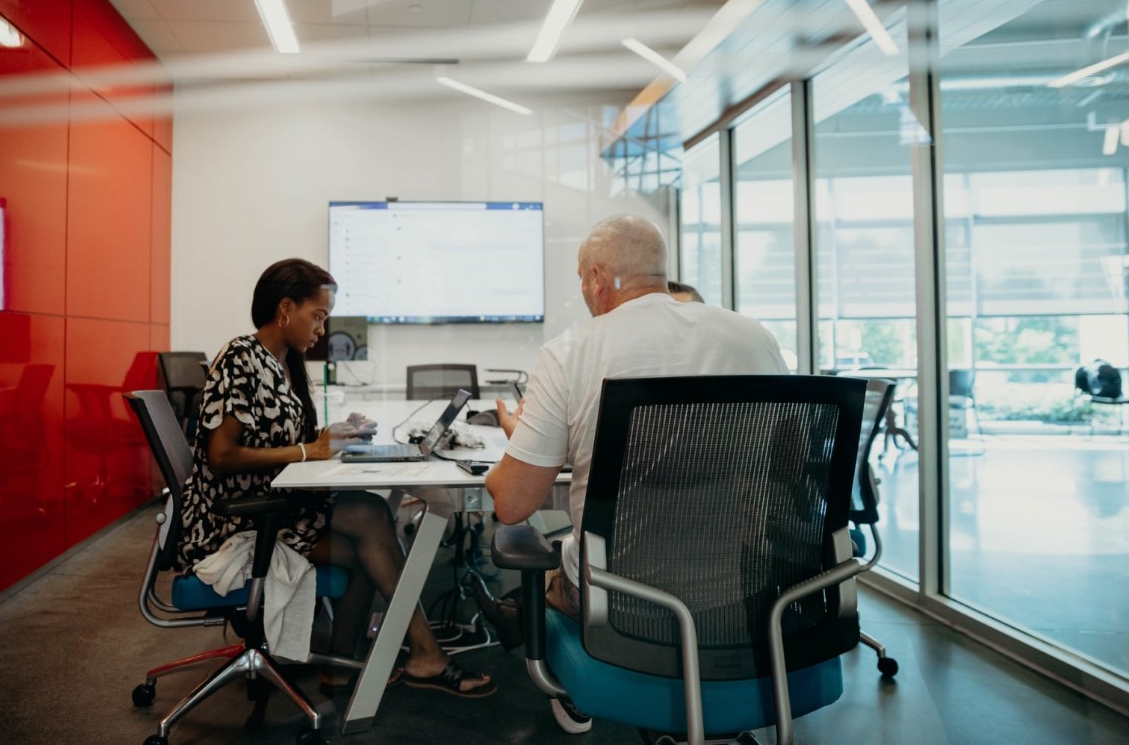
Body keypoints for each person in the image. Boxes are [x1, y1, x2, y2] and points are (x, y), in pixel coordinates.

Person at [483, 215, 787, 732]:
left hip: (623, 602)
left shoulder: (573, 352)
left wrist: (516, 450)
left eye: (583, 281)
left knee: (554, 566)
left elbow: (512, 505)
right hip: (745, 590)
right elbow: (791, 463)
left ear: (597, 278)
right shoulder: (753, 337)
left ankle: (557, 661)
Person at [178, 258, 494, 698]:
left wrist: (339, 433)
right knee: (367, 514)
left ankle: (342, 670)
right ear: (285, 308)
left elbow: (290, 440)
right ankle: (426, 654)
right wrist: (313, 450)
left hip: (273, 509)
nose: (322, 330)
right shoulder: (241, 357)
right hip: (235, 522)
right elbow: (221, 455)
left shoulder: (284, 363)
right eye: (319, 316)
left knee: (368, 546)